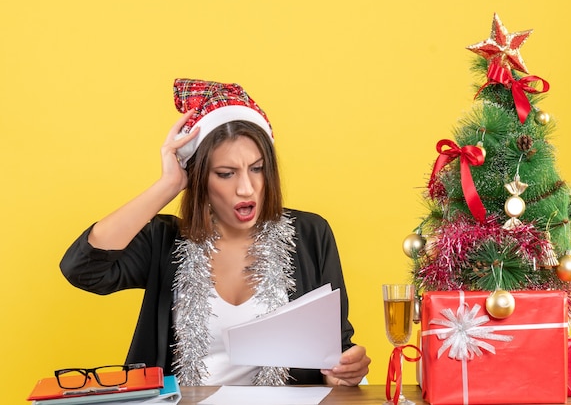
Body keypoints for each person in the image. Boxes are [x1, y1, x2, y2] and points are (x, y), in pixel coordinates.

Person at [60, 79, 370, 387]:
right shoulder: (165, 240)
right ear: (199, 178)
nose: (246, 188)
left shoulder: (310, 234)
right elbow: (83, 269)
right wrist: (168, 185)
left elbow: (336, 350)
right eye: (226, 174)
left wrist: (345, 371)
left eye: (257, 168)